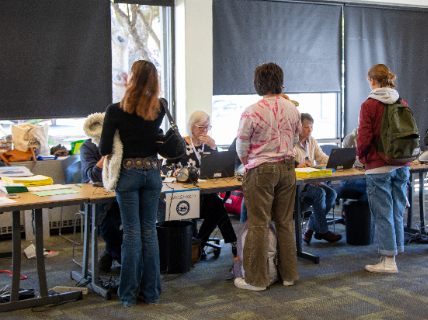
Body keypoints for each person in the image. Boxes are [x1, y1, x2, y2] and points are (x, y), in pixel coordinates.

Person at [99, 60, 165, 307]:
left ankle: (127, 295)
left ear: (132, 79)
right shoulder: (161, 108)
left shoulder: (115, 110)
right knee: (149, 232)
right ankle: (152, 294)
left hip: (128, 174)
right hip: (153, 173)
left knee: (131, 234)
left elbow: (105, 148)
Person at [235, 62, 301, 291]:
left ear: (258, 83)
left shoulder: (252, 110)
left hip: (261, 170)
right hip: (287, 167)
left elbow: (241, 148)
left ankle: (256, 280)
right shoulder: (292, 108)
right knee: (285, 223)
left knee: (259, 225)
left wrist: (249, 163)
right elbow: (294, 142)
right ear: (280, 81)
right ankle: (289, 274)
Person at [357, 64, 410, 274]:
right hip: (401, 164)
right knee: (396, 211)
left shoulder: (369, 105)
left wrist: (363, 158)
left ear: (372, 81)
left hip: (379, 166)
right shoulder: (401, 101)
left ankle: (389, 260)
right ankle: (394, 252)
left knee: (382, 213)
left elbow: (364, 138)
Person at [166, 110, 238, 259]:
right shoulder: (180, 144)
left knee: (215, 207)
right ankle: (231, 243)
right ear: (192, 126)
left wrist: (213, 147)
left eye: (207, 127)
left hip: (206, 194)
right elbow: (166, 167)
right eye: (201, 127)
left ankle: (198, 244)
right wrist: (174, 172)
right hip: (185, 194)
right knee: (217, 208)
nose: (205, 131)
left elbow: (219, 167)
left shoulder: (207, 145)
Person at [295, 113, 341, 244]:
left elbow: (321, 157)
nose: (310, 130)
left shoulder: (312, 141)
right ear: (298, 127)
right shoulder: (291, 143)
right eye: (306, 127)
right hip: (299, 184)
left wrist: (334, 159)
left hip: (312, 181)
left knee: (332, 193)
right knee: (320, 193)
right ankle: (323, 231)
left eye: (311, 127)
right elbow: (290, 166)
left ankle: (310, 228)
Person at [80, 138, 122, 272]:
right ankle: (121, 256)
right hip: (97, 197)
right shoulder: (88, 147)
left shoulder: (123, 142)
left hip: (121, 192)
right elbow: (94, 176)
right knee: (109, 223)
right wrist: (107, 154)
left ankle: (110, 251)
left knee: (140, 220)